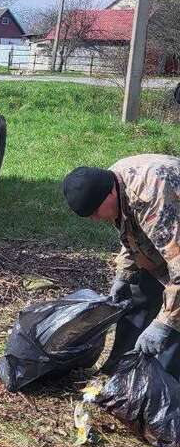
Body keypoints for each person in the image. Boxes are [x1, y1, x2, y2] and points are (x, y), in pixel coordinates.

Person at [63, 155, 180, 376]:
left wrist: (164, 324)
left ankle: (161, 384)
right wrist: (123, 277)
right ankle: (121, 370)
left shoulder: (152, 196)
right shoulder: (111, 180)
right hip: (170, 235)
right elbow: (134, 234)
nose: (96, 219)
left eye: (95, 212)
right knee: (136, 291)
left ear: (111, 193)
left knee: (172, 335)